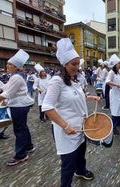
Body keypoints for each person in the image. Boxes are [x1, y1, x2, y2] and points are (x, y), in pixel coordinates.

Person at [42, 38, 100, 187]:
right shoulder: (56, 81)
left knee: (81, 154)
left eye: (78, 64)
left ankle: (80, 170)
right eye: (73, 64)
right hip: (66, 131)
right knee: (68, 163)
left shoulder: (74, 80)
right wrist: (65, 126)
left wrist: (89, 97)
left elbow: (73, 98)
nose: (77, 67)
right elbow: (47, 107)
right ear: (64, 64)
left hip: (81, 127)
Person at [0, 49, 35, 166]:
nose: (7, 65)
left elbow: (7, 94)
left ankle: (21, 155)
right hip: (21, 105)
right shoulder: (15, 76)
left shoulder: (16, 77)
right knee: (23, 127)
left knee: (19, 130)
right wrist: (0, 88)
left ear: (15, 67)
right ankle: (29, 146)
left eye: (9, 64)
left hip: (18, 106)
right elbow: (6, 87)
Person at [105, 54, 120, 135]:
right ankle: (113, 127)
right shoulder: (111, 72)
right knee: (115, 110)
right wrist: (117, 85)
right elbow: (107, 81)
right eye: (119, 63)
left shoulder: (118, 72)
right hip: (114, 94)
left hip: (119, 93)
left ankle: (119, 122)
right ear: (115, 65)